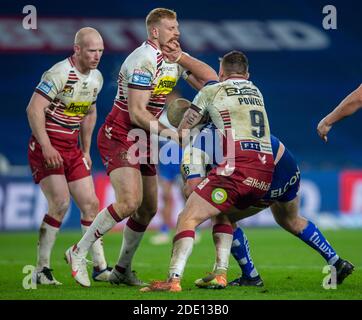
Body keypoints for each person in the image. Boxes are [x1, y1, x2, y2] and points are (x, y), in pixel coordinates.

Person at [65, 8, 218, 287]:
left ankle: (122, 271)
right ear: (155, 31)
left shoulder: (171, 59)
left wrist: (181, 56)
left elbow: (212, 81)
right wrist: (172, 135)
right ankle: (78, 251)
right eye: (171, 28)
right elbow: (136, 113)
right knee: (129, 203)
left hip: (144, 138)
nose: (178, 32)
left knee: (147, 209)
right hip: (120, 134)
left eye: (178, 27)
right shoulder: (143, 59)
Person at [141, 50, 276, 292]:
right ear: (247, 74)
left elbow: (183, 132)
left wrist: (183, 125)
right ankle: (221, 274)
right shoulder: (256, 91)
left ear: (221, 72)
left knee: (186, 218)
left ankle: (172, 281)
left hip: (236, 171)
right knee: (221, 213)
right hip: (265, 177)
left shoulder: (211, 91)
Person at [26, 27, 111, 285]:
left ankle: (99, 267)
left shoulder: (96, 78)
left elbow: (89, 113)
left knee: (91, 205)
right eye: (91, 50)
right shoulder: (59, 73)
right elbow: (34, 109)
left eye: (100, 51)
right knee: (60, 203)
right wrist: (47, 146)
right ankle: (41, 270)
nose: (97, 56)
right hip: (46, 147)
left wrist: (85, 150)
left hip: (72, 149)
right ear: (77, 49)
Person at [150, 90, 184, 245]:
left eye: (175, 99)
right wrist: (156, 165)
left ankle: (191, 230)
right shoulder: (161, 119)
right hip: (166, 162)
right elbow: (155, 145)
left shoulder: (186, 119)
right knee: (166, 197)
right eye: (170, 99)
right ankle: (164, 230)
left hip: (183, 160)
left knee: (189, 196)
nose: (172, 101)